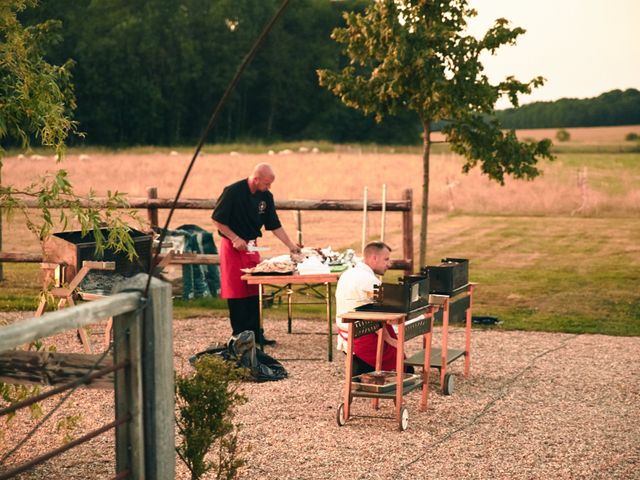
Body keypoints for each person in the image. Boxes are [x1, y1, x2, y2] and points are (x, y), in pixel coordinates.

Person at [212, 163, 300, 345]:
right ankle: (239, 335)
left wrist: (291, 245)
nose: (269, 187)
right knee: (236, 290)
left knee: (255, 288)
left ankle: (256, 334)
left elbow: (274, 225)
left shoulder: (266, 196)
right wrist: (235, 238)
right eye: (267, 183)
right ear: (256, 178)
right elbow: (217, 219)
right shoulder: (233, 191)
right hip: (232, 246)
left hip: (252, 245)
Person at [335, 241, 406, 375]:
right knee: (406, 369)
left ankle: (360, 366)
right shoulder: (369, 280)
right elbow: (388, 308)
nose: (389, 264)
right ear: (374, 258)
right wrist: (390, 340)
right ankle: (362, 367)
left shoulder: (348, 273)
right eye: (386, 259)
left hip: (346, 330)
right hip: (363, 335)